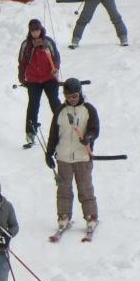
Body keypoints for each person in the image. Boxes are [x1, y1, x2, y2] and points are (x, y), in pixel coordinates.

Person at [45, 78, 100, 237]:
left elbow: (95, 129)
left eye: (74, 96)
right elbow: (53, 134)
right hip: (63, 158)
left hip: (83, 157)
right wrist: (49, 153)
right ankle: (64, 215)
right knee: (63, 189)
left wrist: (88, 137)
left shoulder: (88, 109)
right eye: (68, 96)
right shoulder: (60, 111)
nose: (72, 99)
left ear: (80, 93)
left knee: (85, 187)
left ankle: (91, 216)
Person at [17, 18, 62, 147]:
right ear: (30, 31)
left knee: (55, 102)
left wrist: (56, 68)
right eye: (33, 31)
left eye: (37, 30)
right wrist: (22, 78)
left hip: (49, 78)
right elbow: (22, 62)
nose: (35, 33)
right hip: (33, 80)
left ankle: (63, 126)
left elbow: (56, 57)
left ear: (41, 30)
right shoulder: (26, 45)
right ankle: (30, 133)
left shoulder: (48, 42)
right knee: (33, 105)